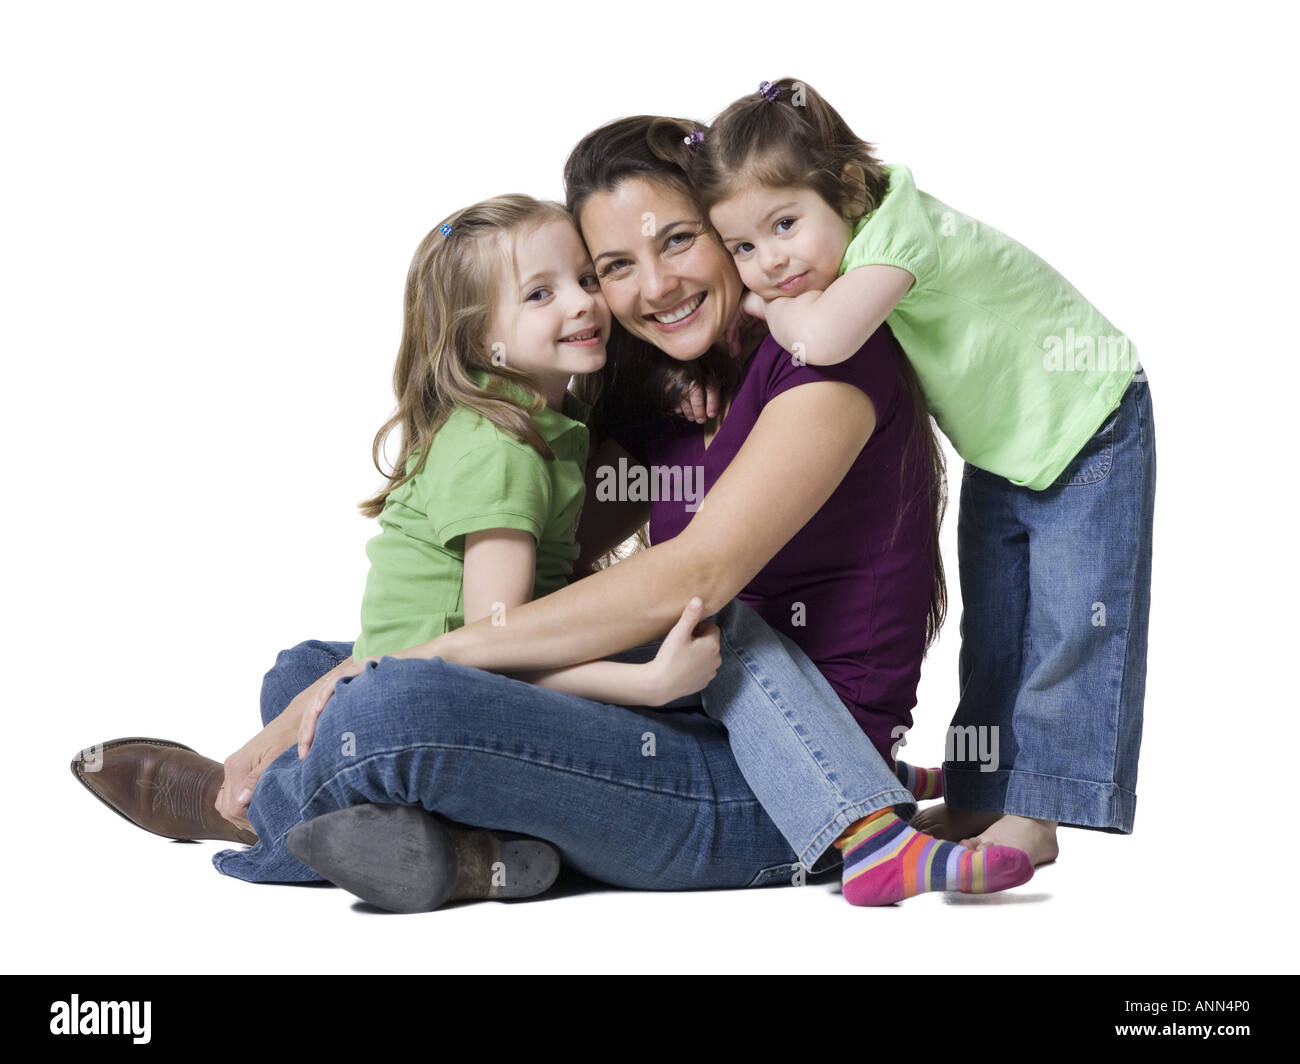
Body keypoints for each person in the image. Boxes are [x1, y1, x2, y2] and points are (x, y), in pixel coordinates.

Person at [73, 116, 1035, 911]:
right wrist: (408, 632)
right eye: (612, 266)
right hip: (675, 713)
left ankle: (236, 806)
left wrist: (418, 662)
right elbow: (538, 586)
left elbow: (694, 577)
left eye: (676, 241)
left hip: (775, 789)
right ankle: (465, 855)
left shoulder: (830, 361)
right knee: (310, 669)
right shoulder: (660, 400)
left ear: (726, 225)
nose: (649, 288)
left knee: (392, 702)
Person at [690, 78, 1157, 865]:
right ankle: (980, 797)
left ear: (845, 188)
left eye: (784, 225)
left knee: (1075, 622)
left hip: (1088, 419)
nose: (768, 261)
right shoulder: (849, 243)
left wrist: (770, 310)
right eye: (743, 247)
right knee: (997, 626)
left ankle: (1041, 810)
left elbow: (827, 339)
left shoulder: (898, 234)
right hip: (1005, 445)